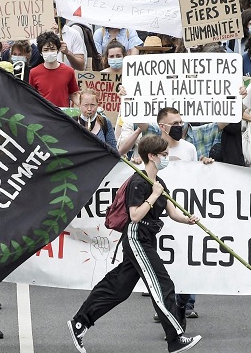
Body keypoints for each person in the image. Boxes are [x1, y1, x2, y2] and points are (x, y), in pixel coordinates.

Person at [68, 134, 203, 353]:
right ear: (151, 156)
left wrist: (187, 220)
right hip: (137, 236)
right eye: (164, 155)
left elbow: (171, 212)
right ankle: (175, 338)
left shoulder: (159, 182)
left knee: (118, 287)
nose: (167, 158)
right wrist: (153, 196)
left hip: (148, 237)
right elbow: (135, 215)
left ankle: (80, 322)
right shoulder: (139, 181)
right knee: (162, 284)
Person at [29, 31, 80, 107]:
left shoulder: (68, 71)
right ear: (40, 52)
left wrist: (85, 105)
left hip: (62, 115)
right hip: (44, 115)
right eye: (46, 50)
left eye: (52, 49)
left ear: (57, 50)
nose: (49, 52)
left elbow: (73, 94)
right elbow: (31, 96)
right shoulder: (34, 72)